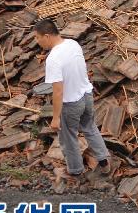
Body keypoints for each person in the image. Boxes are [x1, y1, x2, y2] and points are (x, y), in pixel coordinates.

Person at [34, 19, 110, 181]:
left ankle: (75, 172)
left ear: (46, 36)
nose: (37, 41)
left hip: (71, 103)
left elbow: (58, 91)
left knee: (68, 137)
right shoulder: (73, 44)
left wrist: (55, 118)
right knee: (90, 128)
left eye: (38, 37)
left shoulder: (53, 58)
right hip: (86, 95)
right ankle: (104, 162)